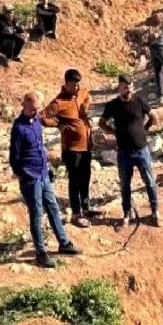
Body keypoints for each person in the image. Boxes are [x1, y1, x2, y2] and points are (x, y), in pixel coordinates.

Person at [9, 92, 81, 268]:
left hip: (43, 173)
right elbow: (14, 157)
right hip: (30, 177)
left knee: (53, 207)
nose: (36, 112)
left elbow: (40, 146)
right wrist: (22, 175)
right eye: (33, 109)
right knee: (36, 214)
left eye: (38, 108)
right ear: (24, 105)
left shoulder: (37, 123)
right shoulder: (18, 128)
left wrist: (47, 168)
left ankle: (63, 243)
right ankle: (41, 253)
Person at [100, 75, 161, 228]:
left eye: (130, 87)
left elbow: (154, 117)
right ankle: (127, 213)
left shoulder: (140, 101)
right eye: (125, 87)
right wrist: (113, 132)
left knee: (150, 182)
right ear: (119, 88)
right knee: (125, 185)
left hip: (141, 150)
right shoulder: (113, 105)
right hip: (124, 153)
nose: (128, 90)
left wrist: (144, 129)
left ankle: (155, 212)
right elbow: (102, 122)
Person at [42, 69, 94, 227]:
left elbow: (88, 96)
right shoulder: (58, 102)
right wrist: (59, 124)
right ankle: (76, 214)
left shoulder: (81, 92)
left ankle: (86, 208)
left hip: (86, 146)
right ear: (66, 83)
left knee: (85, 178)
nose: (77, 88)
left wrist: (85, 106)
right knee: (75, 181)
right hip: (71, 149)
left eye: (78, 85)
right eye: (74, 85)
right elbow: (43, 117)